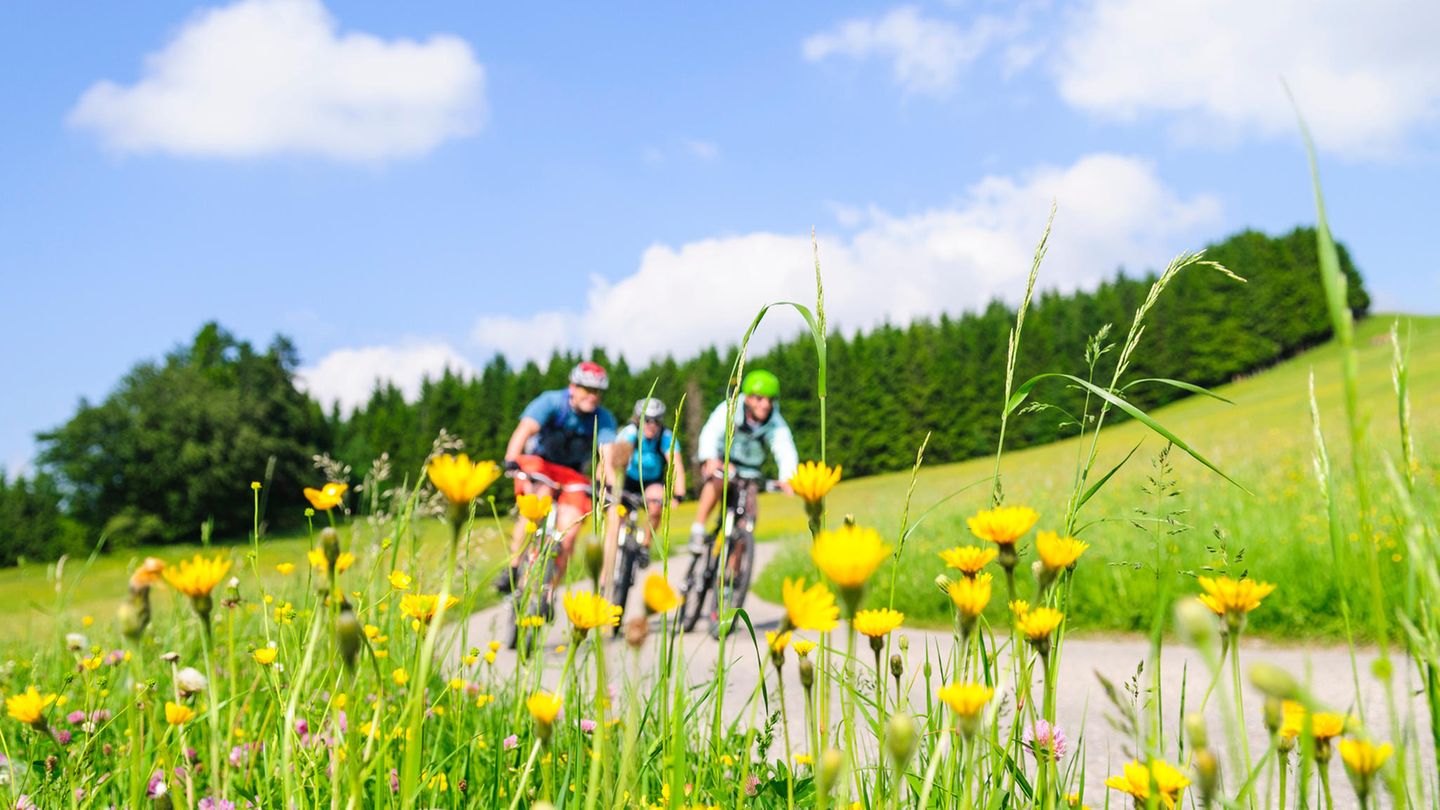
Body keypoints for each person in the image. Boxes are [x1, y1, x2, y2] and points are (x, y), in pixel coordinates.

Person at [497, 361, 618, 594]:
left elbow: (606, 456)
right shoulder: (552, 402)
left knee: (569, 532)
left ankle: (548, 593)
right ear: (573, 386)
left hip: (572, 475)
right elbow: (525, 429)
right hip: (541, 464)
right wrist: (511, 459)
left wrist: (609, 485)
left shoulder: (603, 419)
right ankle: (513, 566)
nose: (593, 396)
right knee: (536, 505)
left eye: (597, 391)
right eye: (587, 389)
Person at [689, 369, 797, 553]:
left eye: (770, 400)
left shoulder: (774, 421)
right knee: (717, 481)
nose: (765, 405)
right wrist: (709, 458)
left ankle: (736, 568)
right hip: (725, 463)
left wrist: (788, 478)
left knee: (748, 520)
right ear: (747, 397)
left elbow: (784, 447)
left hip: (750, 472)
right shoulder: (731, 407)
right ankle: (698, 528)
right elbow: (711, 431)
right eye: (759, 398)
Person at [602, 397, 687, 589]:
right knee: (614, 523)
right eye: (646, 420)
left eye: (656, 420)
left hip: (651, 482)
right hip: (627, 480)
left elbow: (676, 465)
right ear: (638, 419)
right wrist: (612, 486)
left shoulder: (666, 437)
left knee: (656, 504)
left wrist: (678, 494)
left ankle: (645, 544)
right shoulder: (630, 433)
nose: (651, 425)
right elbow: (612, 462)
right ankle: (603, 578)